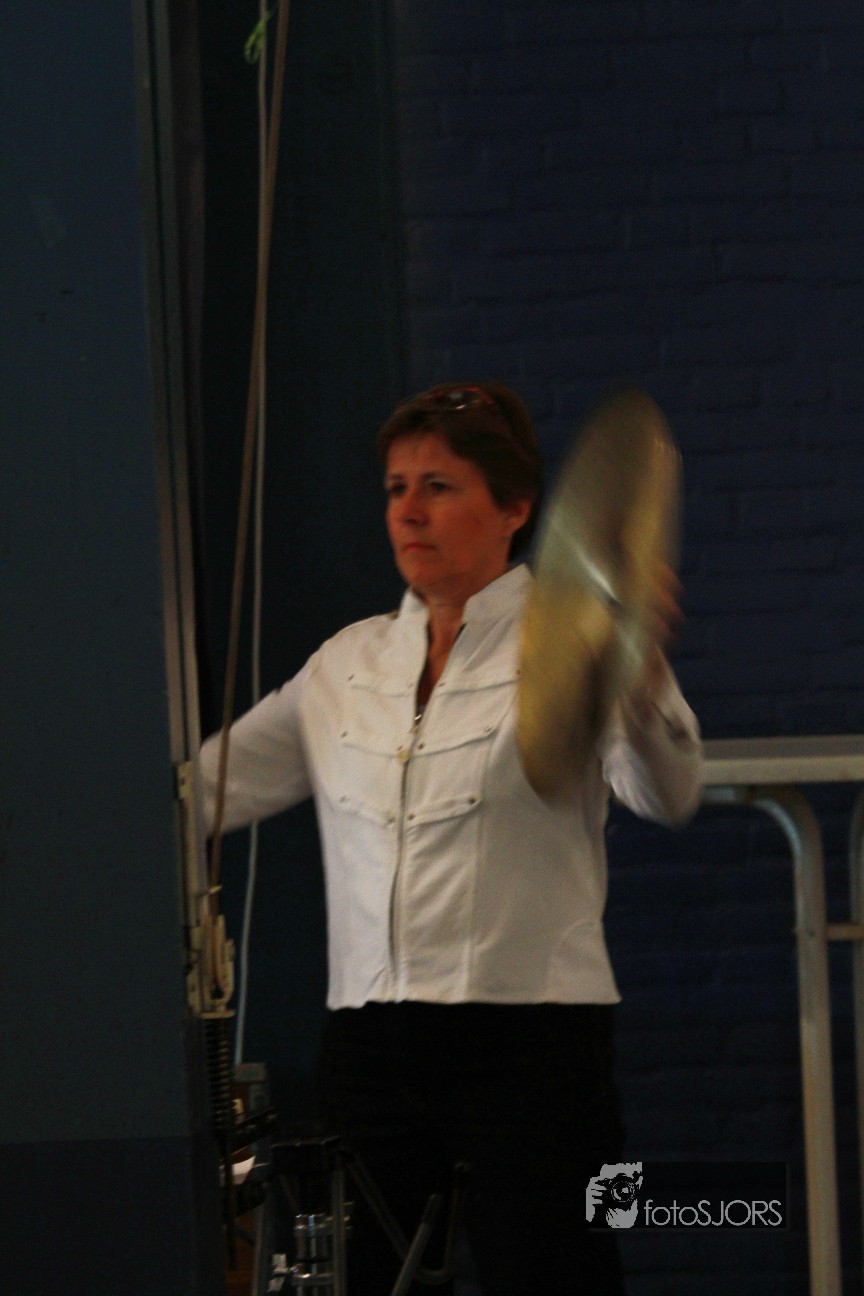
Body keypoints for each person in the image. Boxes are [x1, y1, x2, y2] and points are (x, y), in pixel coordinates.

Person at [199, 381, 702, 1295]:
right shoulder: (343, 664)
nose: (410, 511)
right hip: (369, 1047)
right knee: (361, 1281)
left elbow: (670, 794)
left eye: (439, 486)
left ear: (514, 508)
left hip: (537, 1044)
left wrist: (638, 665)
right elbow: (200, 793)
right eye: (396, 488)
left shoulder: (581, 642)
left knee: (563, 1277)